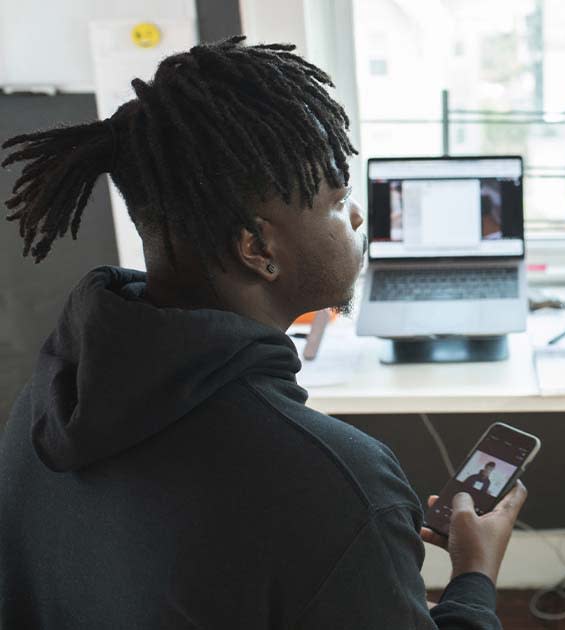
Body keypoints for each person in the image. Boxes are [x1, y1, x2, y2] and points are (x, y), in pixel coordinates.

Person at [0, 37, 526, 629]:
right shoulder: (339, 485)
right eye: (337, 199)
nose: (357, 216)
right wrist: (474, 577)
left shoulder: (48, 401)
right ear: (257, 248)